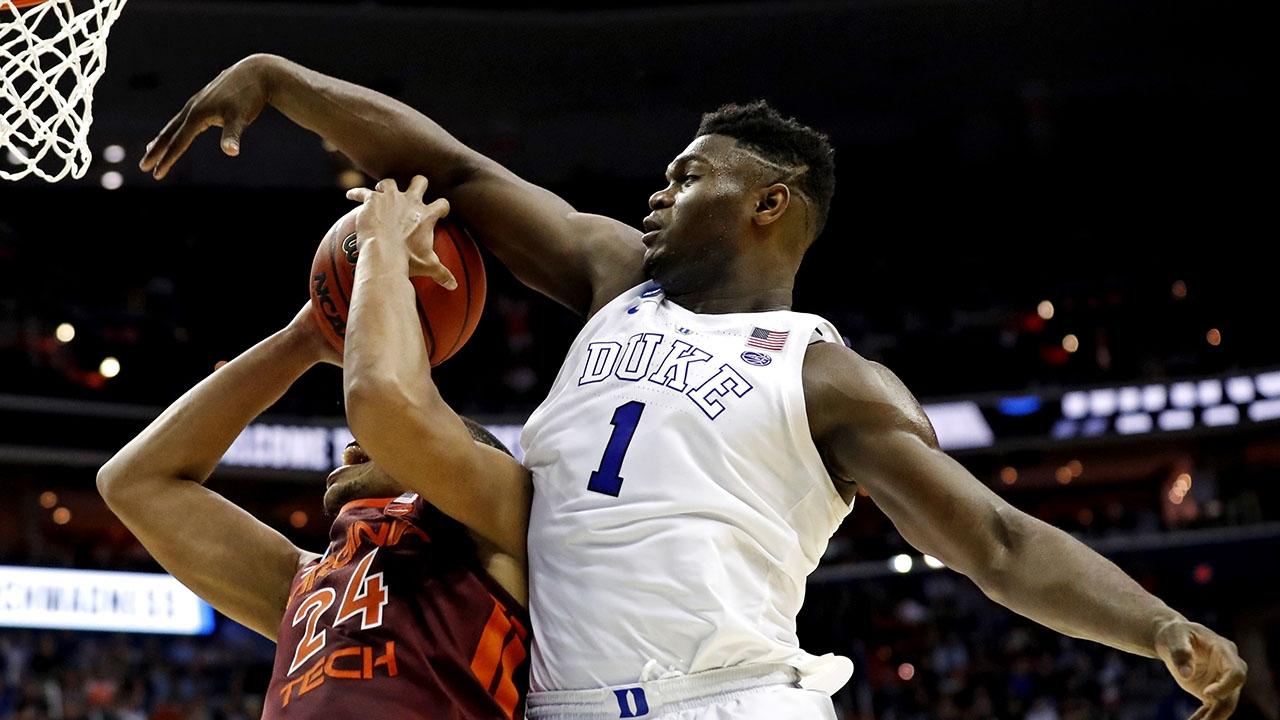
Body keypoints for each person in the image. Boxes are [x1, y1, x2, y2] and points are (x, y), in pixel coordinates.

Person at [141, 55, 1248, 720]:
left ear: (769, 203)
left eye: (688, 175)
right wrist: (283, 82)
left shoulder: (829, 379)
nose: (657, 192)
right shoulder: (612, 278)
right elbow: (460, 170)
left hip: (729, 698)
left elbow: (996, 544)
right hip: (559, 703)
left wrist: (1154, 626)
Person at [97, 184, 532, 719]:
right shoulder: (304, 586)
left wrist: (383, 246)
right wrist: (302, 339)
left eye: (377, 442)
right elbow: (133, 483)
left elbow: (386, 404)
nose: (353, 443)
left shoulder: (500, 518)